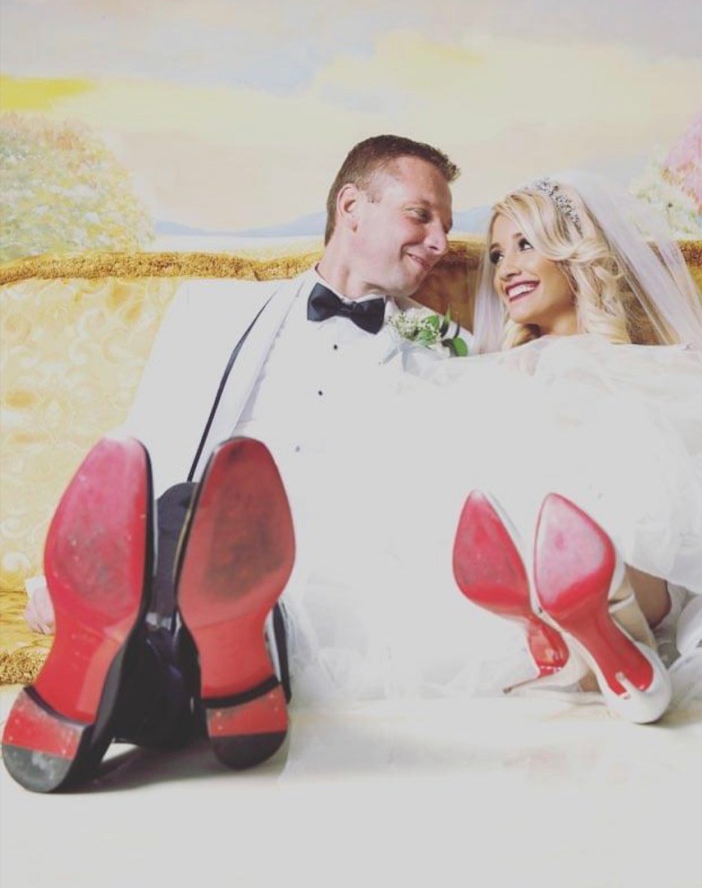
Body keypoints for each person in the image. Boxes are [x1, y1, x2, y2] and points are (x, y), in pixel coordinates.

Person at [270, 173, 702, 736]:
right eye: (499, 253)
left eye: (526, 244)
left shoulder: (648, 369)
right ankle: (597, 636)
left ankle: (600, 611)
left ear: (574, 251)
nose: (507, 268)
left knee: (641, 472)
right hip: (518, 503)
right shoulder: (478, 370)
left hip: (640, 512)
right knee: (487, 488)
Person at [4, 134, 463, 792]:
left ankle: (125, 673)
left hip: (326, 579)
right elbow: (143, 444)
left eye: (447, 225)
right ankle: (222, 679)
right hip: (183, 552)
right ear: (353, 206)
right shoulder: (213, 310)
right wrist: (72, 567)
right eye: (422, 214)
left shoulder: (445, 351)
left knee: (227, 557)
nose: (441, 241)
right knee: (189, 507)